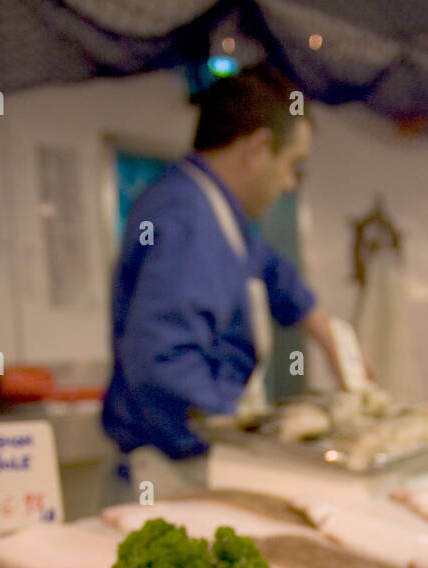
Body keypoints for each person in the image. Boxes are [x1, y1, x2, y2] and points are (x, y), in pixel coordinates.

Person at [101, 65, 349, 503]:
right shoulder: (187, 218)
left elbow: (274, 272)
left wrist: (332, 341)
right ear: (256, 151)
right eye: (292, 166)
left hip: (189, 464)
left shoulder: (215, 212)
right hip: (167, 475)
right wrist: (256, 441)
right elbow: (164, 366)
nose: (288, 184)